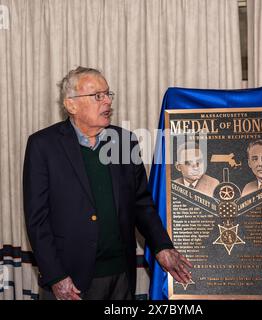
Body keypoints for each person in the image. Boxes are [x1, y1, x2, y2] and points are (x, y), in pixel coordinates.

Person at [23, 66, 192, 300]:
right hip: (71, 280)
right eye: (97, 96)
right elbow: (37, 220)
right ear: (71, 105)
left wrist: (162, 246)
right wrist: (55, 276)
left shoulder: (124, 141)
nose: (107, 102)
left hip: (121, 276)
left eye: (107, 94)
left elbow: (141, 204)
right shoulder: (43, 145)